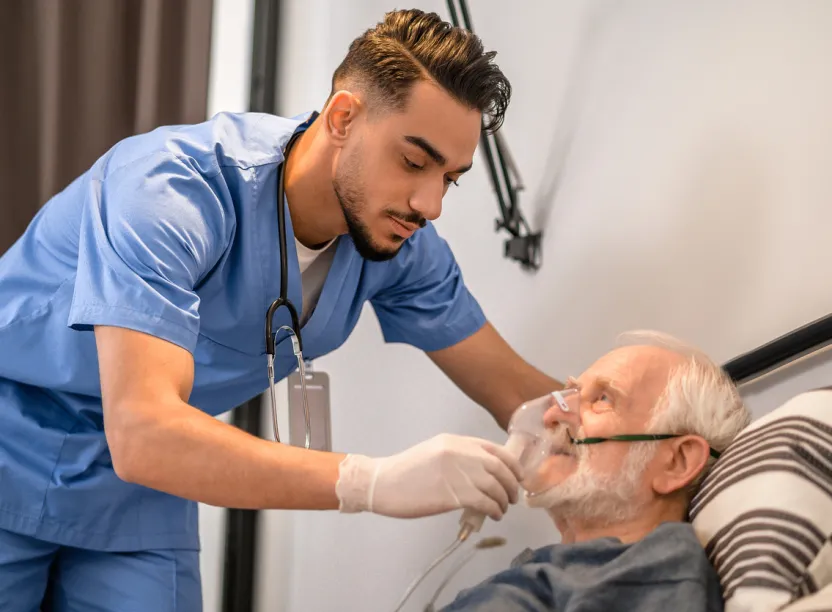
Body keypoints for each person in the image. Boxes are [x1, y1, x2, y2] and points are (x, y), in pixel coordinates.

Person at [0, 9, 563, 611]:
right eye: (413, 161)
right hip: (16, 444)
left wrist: (648, 434)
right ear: (343, 117)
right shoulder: (171, 191)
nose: (430, 204)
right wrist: (368, 482)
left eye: (450, 178)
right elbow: (143, 433)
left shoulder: (400, 244)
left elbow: (523, 397)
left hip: (139, 500)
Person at [439, 330, 752, 612]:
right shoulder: (556, 571)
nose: (551, 415)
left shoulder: (659, 568)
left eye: (603, 399)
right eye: (571, 393)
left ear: (677, 462)